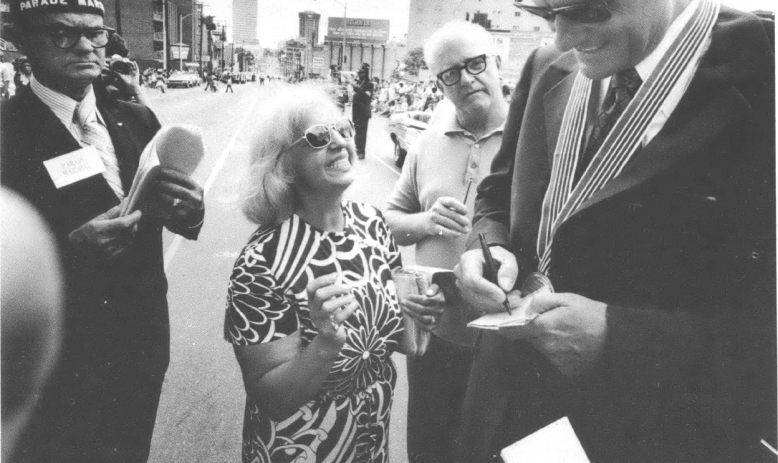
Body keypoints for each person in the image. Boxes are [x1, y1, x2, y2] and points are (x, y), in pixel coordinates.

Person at [454, 0, 775, 462]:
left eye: (588, 11)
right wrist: (488, 246)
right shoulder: (547, 65)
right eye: (546, 12)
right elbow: (498, 191)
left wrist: (619, 340)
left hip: (646, 432)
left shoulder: (764, 73)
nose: (562, 38)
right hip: (504, 407)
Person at [0, 1, 206, 461]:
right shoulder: (7, 131)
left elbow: (173, 210)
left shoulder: (135, 118)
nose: (85, 46)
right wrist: (68, 251)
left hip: (141, 344)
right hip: (56, 363)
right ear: (21, 41)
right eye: (62, 34)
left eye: (96, 34)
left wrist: (189, 209)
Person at [224, 83, 432, 462]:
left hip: (369, 440)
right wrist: (325, 344)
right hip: (301, 448)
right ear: (283, 163)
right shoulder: (261, 262)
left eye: (343, 129)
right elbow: (272, 397)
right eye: (319, 136)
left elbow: (396, 340)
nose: (338, 141)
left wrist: (422, 311)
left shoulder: (373, 224)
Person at [384, 21, 508, 463]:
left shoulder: (531, 141)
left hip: (505, 344)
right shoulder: (426, 142)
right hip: (434, 335)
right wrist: (426, 220)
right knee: (429, 450)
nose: (467, 78)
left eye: (476, 63)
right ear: (439, 83)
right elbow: (389, 221)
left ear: (498, 62)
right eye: (451, 73)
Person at [351, 64, 374, 159]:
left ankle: (361, 152)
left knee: (362, 134)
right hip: (356, 112)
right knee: (357, 133)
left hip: (363, 113)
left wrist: (357, 88)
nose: (359, 75)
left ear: (365, 73)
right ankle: (357, 149)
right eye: (359, 73)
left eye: (361, 73)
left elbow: (365, 97)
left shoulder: (369, 85)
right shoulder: (359, 83)